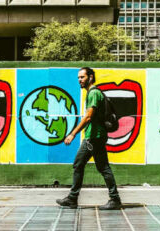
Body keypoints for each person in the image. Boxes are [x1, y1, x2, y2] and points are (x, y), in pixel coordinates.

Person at [56, 67, 121, 210]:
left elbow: (88, 116)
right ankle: (114, 198)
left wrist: (73, 133)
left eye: (82, 77)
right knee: (103, 167)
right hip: (97, 136)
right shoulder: (95, 93)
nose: (79, 80)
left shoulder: (93, 93)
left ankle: (73, 198)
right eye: (78, 77)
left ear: (90, 77)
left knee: (79, 164)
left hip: (93, 137)